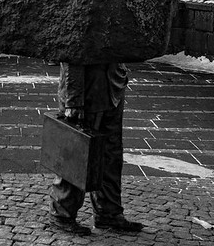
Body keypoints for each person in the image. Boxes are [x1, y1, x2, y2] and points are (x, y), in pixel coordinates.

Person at [49, 62, 144, 235]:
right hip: (87, 91)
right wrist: (74, 100)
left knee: (110, 154)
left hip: (111, 87)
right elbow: (73, 55)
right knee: (77, 153)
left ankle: (108, 212)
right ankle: (62, 213)